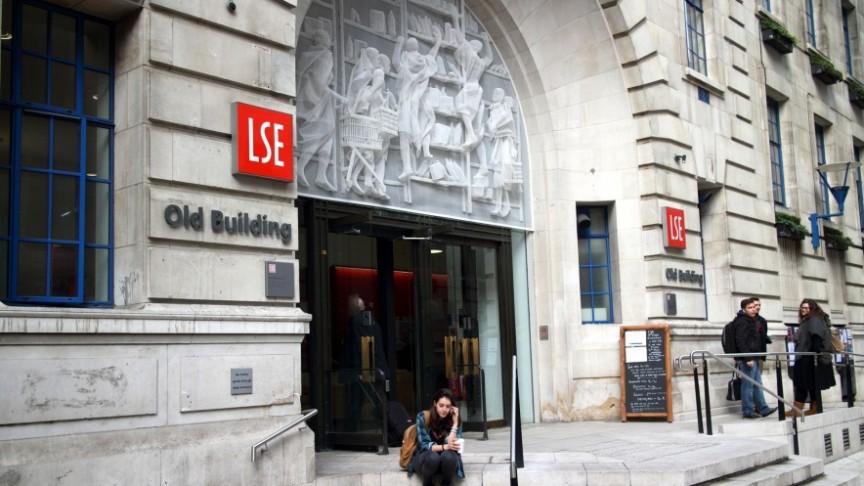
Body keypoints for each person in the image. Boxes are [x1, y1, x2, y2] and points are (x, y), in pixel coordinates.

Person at [392, 28, 443, 181]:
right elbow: (433, 55)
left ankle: (408, 167)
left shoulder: (406, 63)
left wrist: (398, 44)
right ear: (417, 49)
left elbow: (395, 63)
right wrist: (439, 41)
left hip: (407, 104)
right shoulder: (424, 62)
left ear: (406, 50)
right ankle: (420, 149)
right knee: (421, 128)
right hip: (421, 104)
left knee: (403, 134)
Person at [296, 28, 343, 192]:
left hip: (317, 101)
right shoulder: (325, 57)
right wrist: (339, 97)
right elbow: (320, 84)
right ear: (324, 42)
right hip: (319, 102)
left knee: (328, 135)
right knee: (320, 136)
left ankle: (320, 175)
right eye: (328, 40)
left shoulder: (310, 55)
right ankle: (302, 168)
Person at [341, 294, 389, 429]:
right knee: (377, 401)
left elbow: (362, 347)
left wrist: (362, 370)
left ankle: (351, 431)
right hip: (375, 369)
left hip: (365, 370)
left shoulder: (357, 321)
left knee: (357, 401)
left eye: (349, 307)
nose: (347, 310)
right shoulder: (372, 321)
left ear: (354, 308)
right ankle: (387, 430)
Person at [408, 388, 464, 486]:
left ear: (452, 407)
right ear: (435, 403)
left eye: (448, 406)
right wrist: (444, 447)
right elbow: (424, 446)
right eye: (441, 405)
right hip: (426, 462)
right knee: (432, 457)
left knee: (449, 456)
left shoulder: (455, 419)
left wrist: (455, 424)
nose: (444, 410)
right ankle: (428, 483)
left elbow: (454, 447)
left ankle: (446, 483)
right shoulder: (422, 417)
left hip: (445, 464)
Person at [732, 298, 777, 419]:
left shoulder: (752, 320)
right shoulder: (742, 321)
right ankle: (747, 410)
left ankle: (763, 408)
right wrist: (748, 358)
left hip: (754, 356)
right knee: (748, 384)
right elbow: (741, 341)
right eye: (750, 307)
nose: (753, 309)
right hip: (748, 358)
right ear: (744, 309)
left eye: (754, 307)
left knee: (757, 384)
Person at [790, 298, 835, 416]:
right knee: (808, 384)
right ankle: (813, 407)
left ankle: (801, 409)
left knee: (803, 383)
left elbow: (816, 338)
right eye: (802, 308)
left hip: (809, 358)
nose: (803, 310)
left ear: (812, 308)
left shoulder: (814, 320)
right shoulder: (809, 320)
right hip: (807, 356)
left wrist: (814, 353)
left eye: (806, 308)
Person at [485, 89, 516, 217]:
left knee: (502, 177)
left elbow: (507, 123)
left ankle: (505, 206)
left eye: (497, 94)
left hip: (505, 145)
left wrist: (494, 125)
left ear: (502, 96)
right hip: (497, 144)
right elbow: (491, 127)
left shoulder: (504, 109)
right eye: (494, 93)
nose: (494, 96)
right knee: (498, 178)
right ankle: (500, 205)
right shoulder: (493, 109)